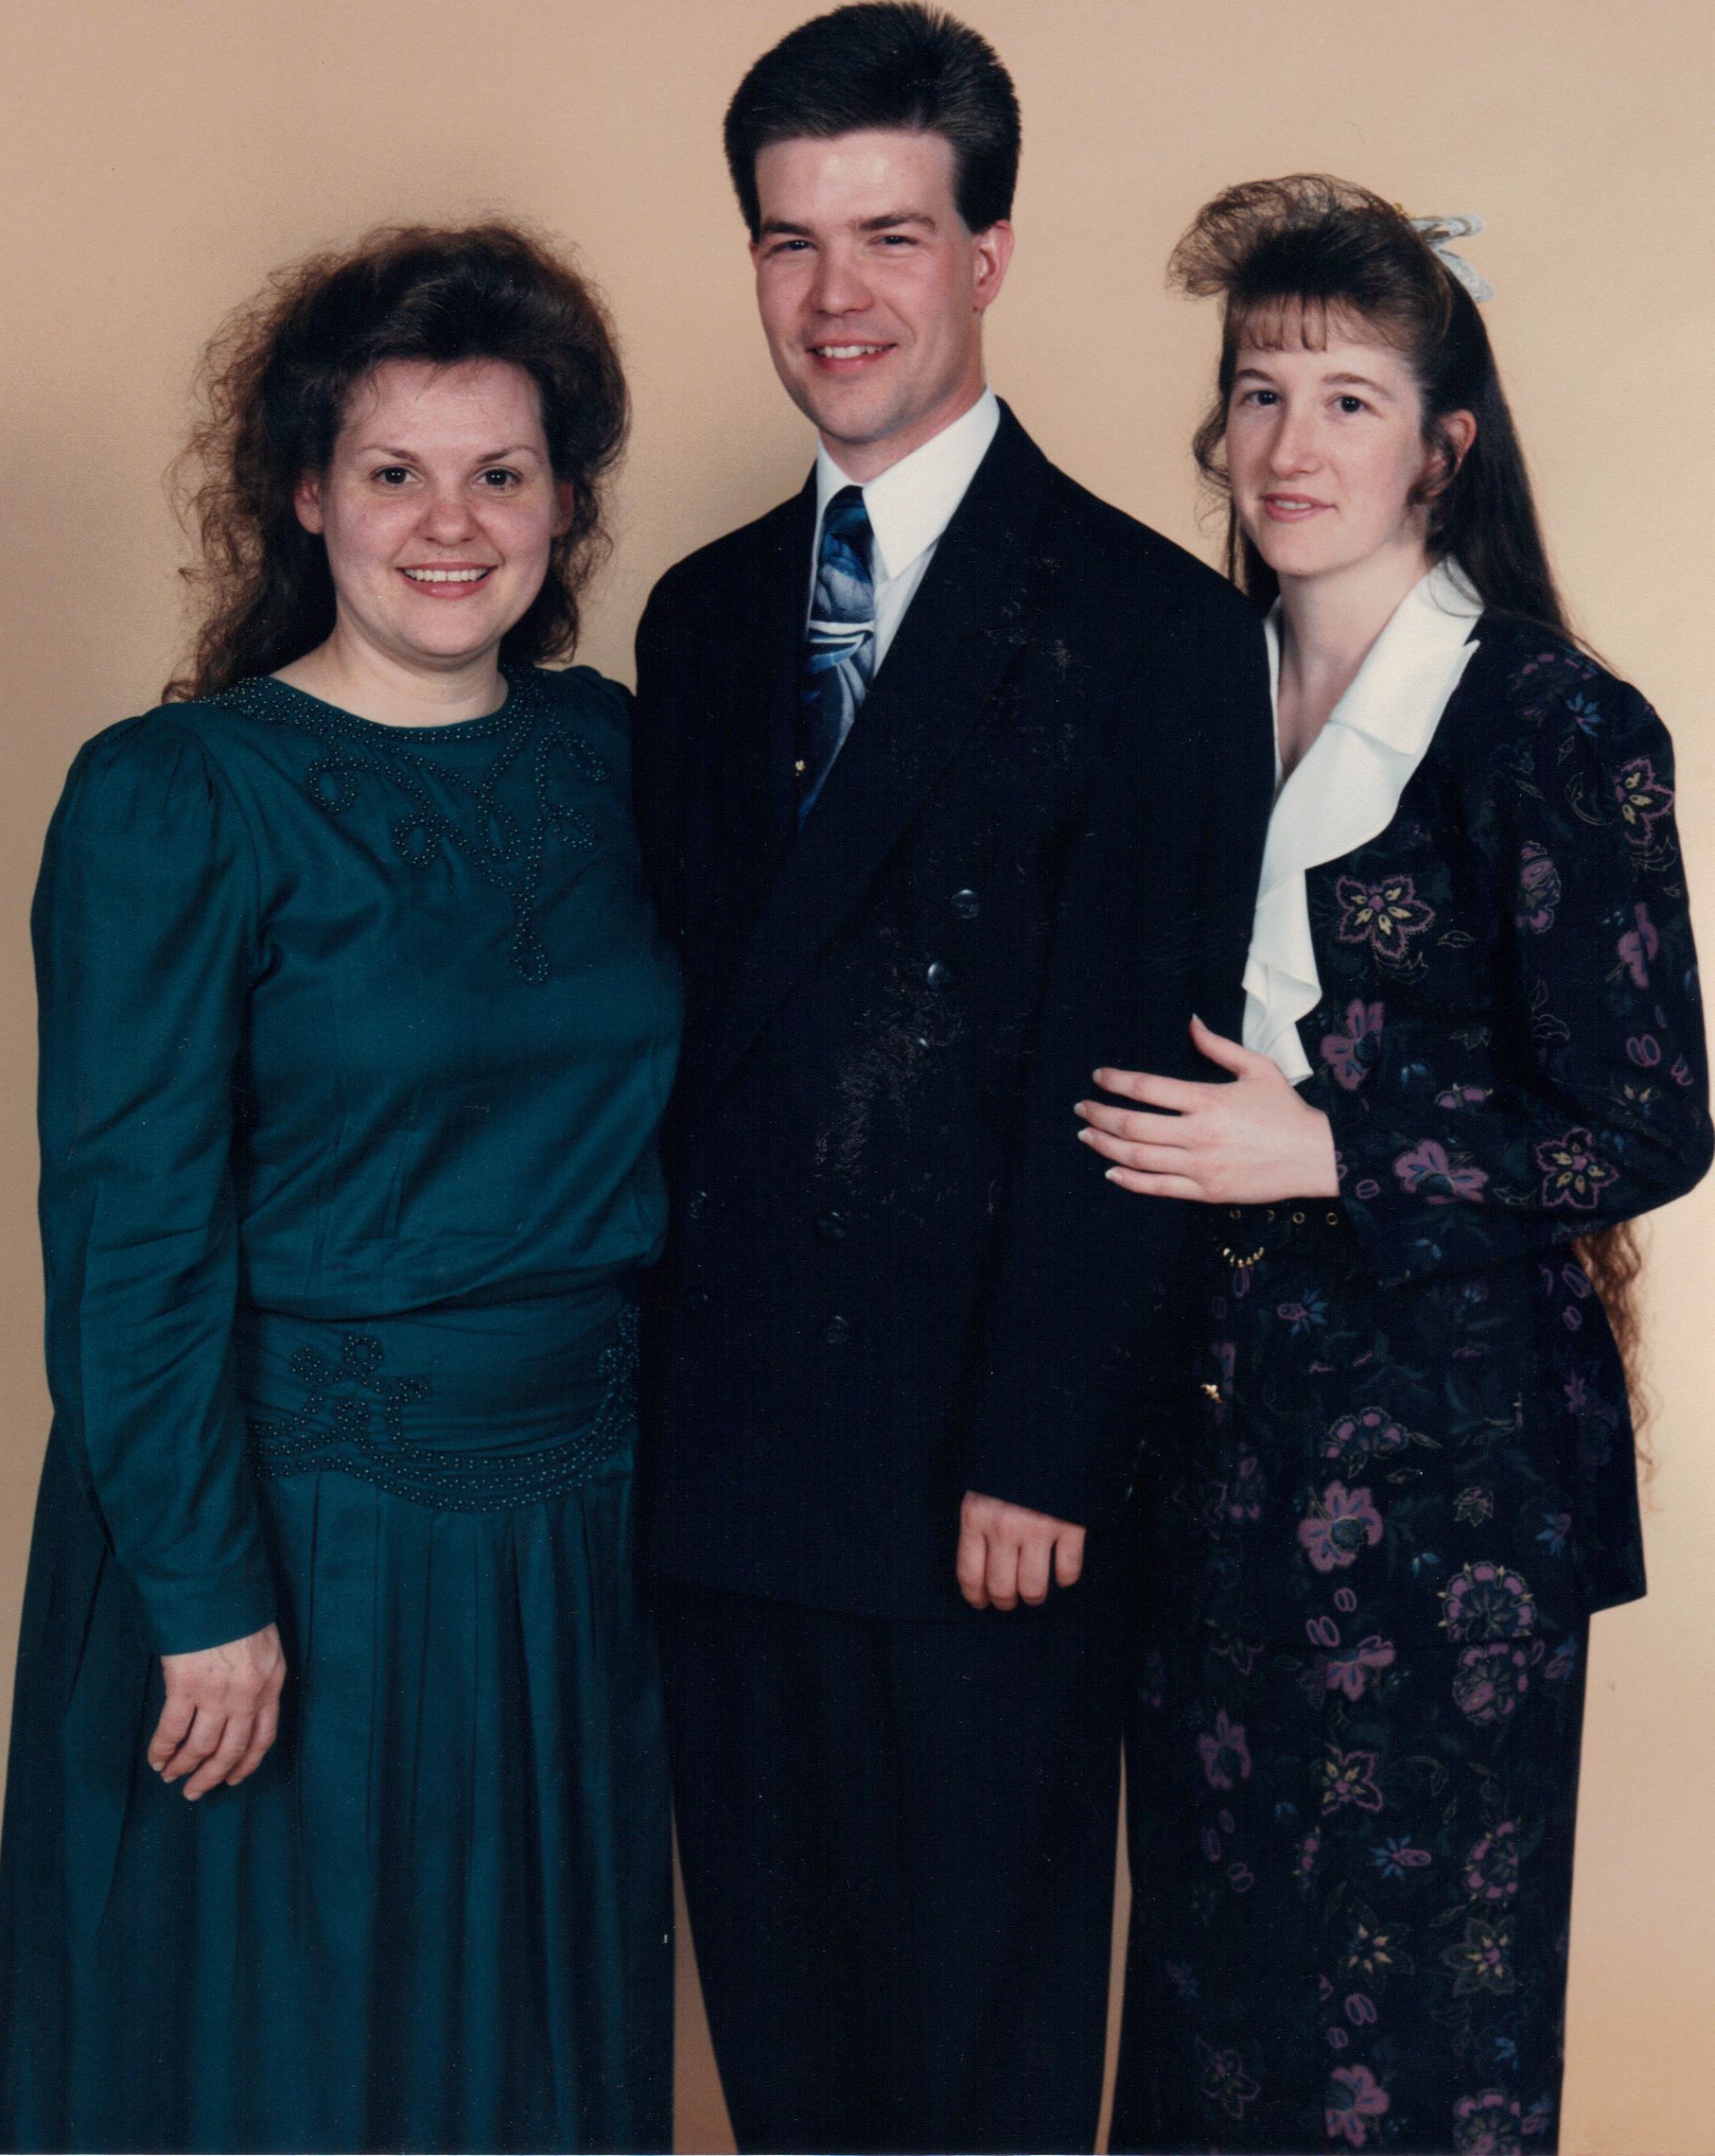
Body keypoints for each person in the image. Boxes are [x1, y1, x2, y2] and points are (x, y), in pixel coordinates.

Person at [632, 7, 1272, 2148]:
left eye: (890, 234)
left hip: (979, 1490)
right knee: (789, 2063)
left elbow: (1143, 1082)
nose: (837, 298)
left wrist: (1049, 1453)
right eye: (790, 241)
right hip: (726, 1475)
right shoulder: (703, 620)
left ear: (989, 248)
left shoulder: (1156, 629)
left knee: (977, 2068)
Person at [0, 223, 680, 2155]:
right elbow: (129, 1232)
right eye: (395, 471)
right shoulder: (176, 795)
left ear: (563, 502)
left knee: (532, 2061)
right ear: (305, 493)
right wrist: (205, 1596)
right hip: (292, 1539)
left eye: (502, 473)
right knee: (282, 2061)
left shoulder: (621, 756)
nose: (451, 523)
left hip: (573, 1546)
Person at [1076, 176, 1712, 2154]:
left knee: (1405, 2037)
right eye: (1258, 393)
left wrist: (1326, 1146)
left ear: (1448, 441)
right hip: (1208, 1459)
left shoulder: (1551, 721)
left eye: (1348, 398)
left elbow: (1650, 1118)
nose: (1289, 445)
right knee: (1210, 1998)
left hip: (1448, 1506)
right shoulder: (1185, 694)